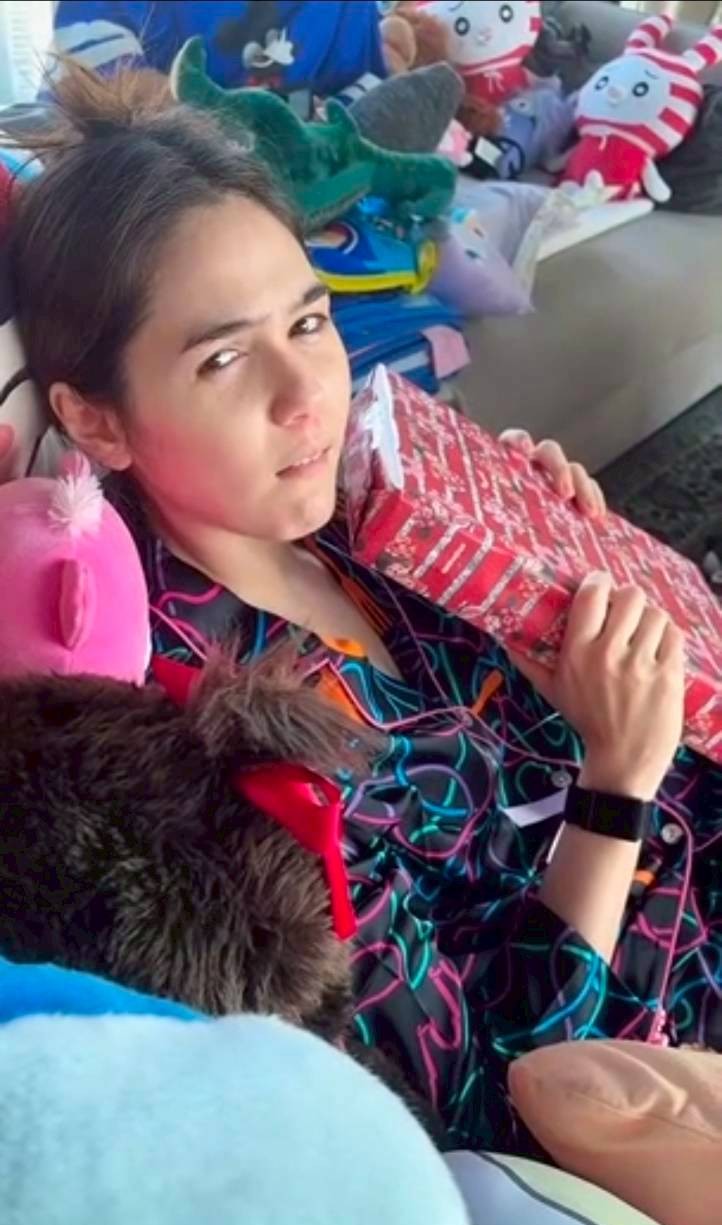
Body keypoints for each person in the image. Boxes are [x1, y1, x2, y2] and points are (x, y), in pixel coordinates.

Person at [9, 63, 721, 1154]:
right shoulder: (206, 755)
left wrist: (544, 561)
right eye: (223, 358)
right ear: (98, 422)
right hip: (656, 1064)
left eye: (309, 322)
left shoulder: (372, 512)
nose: (307, 395)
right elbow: (495, 1101)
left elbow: (542, 731)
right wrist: (615, 787)